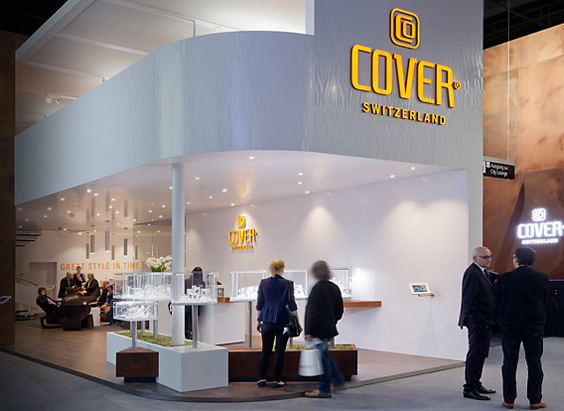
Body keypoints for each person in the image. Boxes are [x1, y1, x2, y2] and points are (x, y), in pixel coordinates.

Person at [495, 247, 549, 410]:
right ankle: (535, 400)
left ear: (516, 259)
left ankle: (509, 400)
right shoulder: (542, 278)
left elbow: (497, 299)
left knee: (509, 361)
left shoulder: (504, 278)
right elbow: (543, 299)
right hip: (534, 324)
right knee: (534, 361)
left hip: (510, 324)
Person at [458, 246, 497, 400]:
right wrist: (478, 320)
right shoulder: (472, 273)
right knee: (475, 354)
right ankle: (469, 388)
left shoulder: (482, 272)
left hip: (484, 321)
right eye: (485, 257)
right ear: (475, 258)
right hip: (478, 322)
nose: (489, 259)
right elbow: (469, 300)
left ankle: (476, 383)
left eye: (490, 256)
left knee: (481, 354)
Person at [256, 259, 301, 388]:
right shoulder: (288, 284)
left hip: (266, 321)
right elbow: (292, 304)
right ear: (282, 269)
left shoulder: (263, 283)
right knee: (280, 351)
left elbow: (260, 303)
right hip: (283, 321)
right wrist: (297, 322)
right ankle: (276, 380)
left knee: (265, 350)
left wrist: (258, 320)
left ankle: (262, 378)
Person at [304, 260, 344, 399]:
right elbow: (339, 310)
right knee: (324, 354)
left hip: (318, 330)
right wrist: (332, 321)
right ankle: (337, 379)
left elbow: (312, 312)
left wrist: (309, 331)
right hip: (328, 328)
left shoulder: (317, 288)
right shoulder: (334, 287)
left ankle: (324, 388)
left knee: (323, 358)